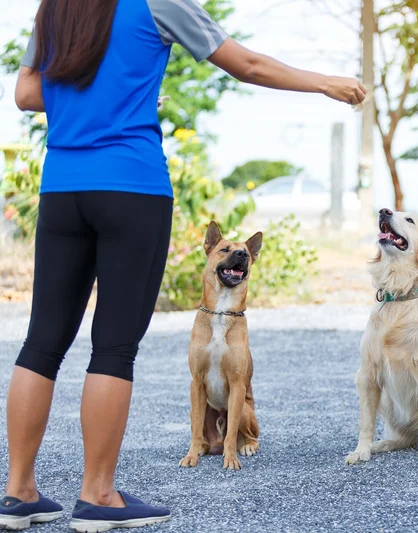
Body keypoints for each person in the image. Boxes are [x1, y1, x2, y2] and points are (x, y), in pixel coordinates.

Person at [1, 0, 366, 530]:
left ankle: (18, 494)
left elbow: (26, 94)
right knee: (113, 346)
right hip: (131, 187)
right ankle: (97, 496)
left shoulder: (54, 6)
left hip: (62, 189)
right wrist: (325, 83)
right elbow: (246, 64)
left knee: (42, 342)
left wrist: (107, 96)